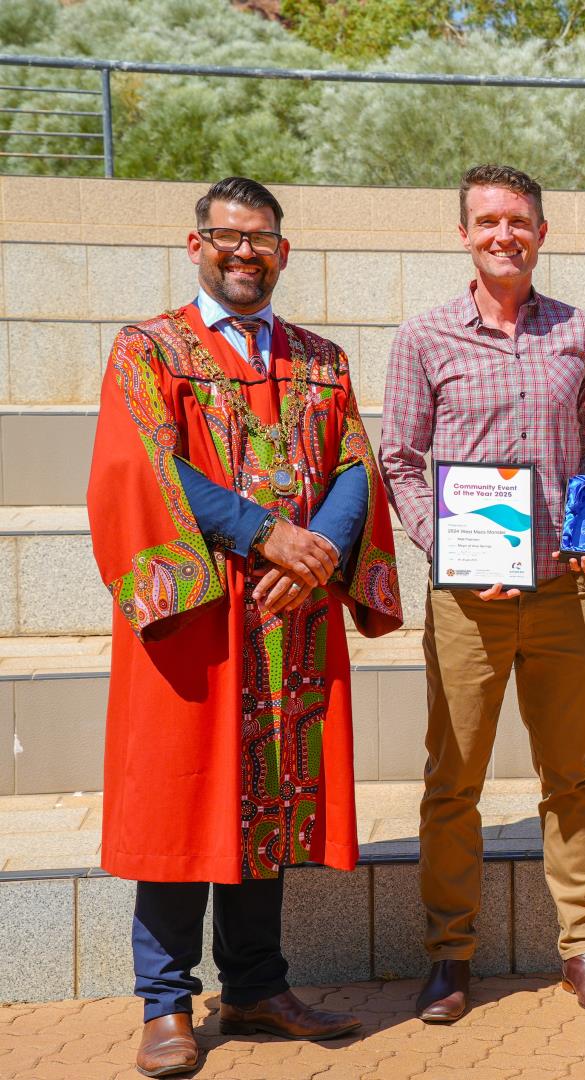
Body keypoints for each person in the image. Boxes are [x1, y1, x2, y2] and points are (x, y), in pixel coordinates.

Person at [86, 176, 404, 1078]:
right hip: (199, 614)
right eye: (227, 237)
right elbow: (145, 466)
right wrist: (268, 535)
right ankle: (166, 1002)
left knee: (271, 799)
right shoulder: (149, 350)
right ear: (197, 246)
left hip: (288, 611)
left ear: (283, 252)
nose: (244, 252)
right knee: (185, 797)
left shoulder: (319, 358)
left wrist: (318, 556)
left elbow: (353, 465)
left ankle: (259, 986)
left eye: (261, 238)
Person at [380, 164, 585, 1022]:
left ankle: (582, 947)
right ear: (463, 234)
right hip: (467, 601)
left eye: (518, 221)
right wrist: (447, 544)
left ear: (541, 233)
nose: (503, 235)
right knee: (454, 782)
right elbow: (401, 462)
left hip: (563, 594)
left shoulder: (582, 332)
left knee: (572, 777)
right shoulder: (423, 338)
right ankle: (450, 955)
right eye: (486, 221)